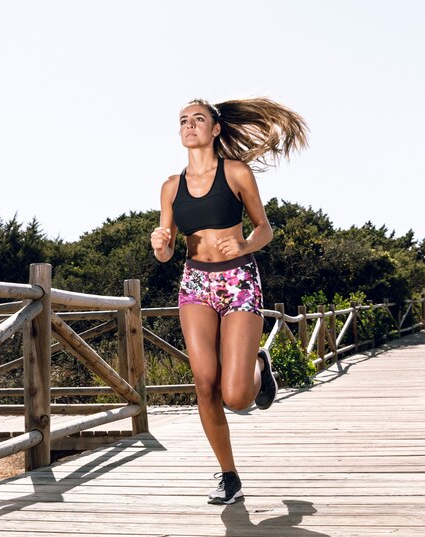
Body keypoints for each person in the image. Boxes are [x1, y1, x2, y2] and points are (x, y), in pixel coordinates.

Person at [150, 97, 308, 505]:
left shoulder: (236, 173)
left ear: (215, 129)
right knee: (204, 384)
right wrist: (160, 244)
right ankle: (228, 475)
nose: (189, 125)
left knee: (236, 396)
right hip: (195, 284)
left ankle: (259, 364)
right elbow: (166, 253)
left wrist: (243, 242)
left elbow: (265, 230)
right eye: (183, 120)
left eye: (198, 119)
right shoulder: (171, 186)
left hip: (239, 279)